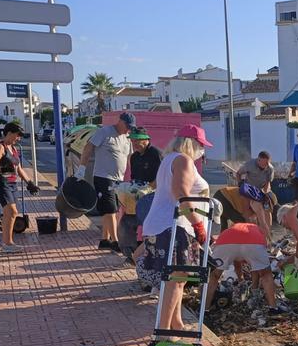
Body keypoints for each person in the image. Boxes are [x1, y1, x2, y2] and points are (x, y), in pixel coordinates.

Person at [137, 124, 215, 331]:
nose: (202, 151)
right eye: (201, 146)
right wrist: (198, 225)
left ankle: (176, 324)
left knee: (177, 280)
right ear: (192, 144)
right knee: (175, 279)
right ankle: (164, 329)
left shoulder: (169, 159)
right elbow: (181, 193)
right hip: (173, 227)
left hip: (161, 226)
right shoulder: (183, 160)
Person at [77, 112, 134, 251]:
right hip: (103, 177)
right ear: (120, 121)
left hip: (118, 180)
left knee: (110, 210)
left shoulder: (127, 137)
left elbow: (130, 157)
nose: (128, 129)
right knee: (110, 210)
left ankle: (104, 240)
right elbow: (88, 147)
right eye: (127, 126)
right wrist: (82, 168)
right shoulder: (104, 132)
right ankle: (115, 242)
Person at [206, 222, 289, 316]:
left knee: (214, 275)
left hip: (226, 241)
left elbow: (236, 260)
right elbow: (255, 267)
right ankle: (273, 308)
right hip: (253, 242)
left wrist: (242, 281)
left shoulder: (233, 228)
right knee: (266, 275)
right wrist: (254, 288)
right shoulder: (258, 231)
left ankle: (205, 309)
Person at [0, 123, 39, 253]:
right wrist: (4, 169)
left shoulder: (14, 149)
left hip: (12, 184)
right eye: (18, 135)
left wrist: (30, 183)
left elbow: (19, 169)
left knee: (10, 213)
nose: (19, 138)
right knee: (12, 211)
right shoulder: (0, 147)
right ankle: (8, 243)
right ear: (9, 133)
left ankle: (7, 243)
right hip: (1, 183)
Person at [237, 151, 275, 240]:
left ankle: (267, 233)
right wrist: (240, 183)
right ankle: (250, 233)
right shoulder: (249, 164)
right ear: (258, 160)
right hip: (249, 189)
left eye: (267, 163)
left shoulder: (270, 168)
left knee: (267, 209)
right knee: (246, 209)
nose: (266, 165)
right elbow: (238, 173)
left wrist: (265, 193)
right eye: (264, 163)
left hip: (261, 189)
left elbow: (268, 182)